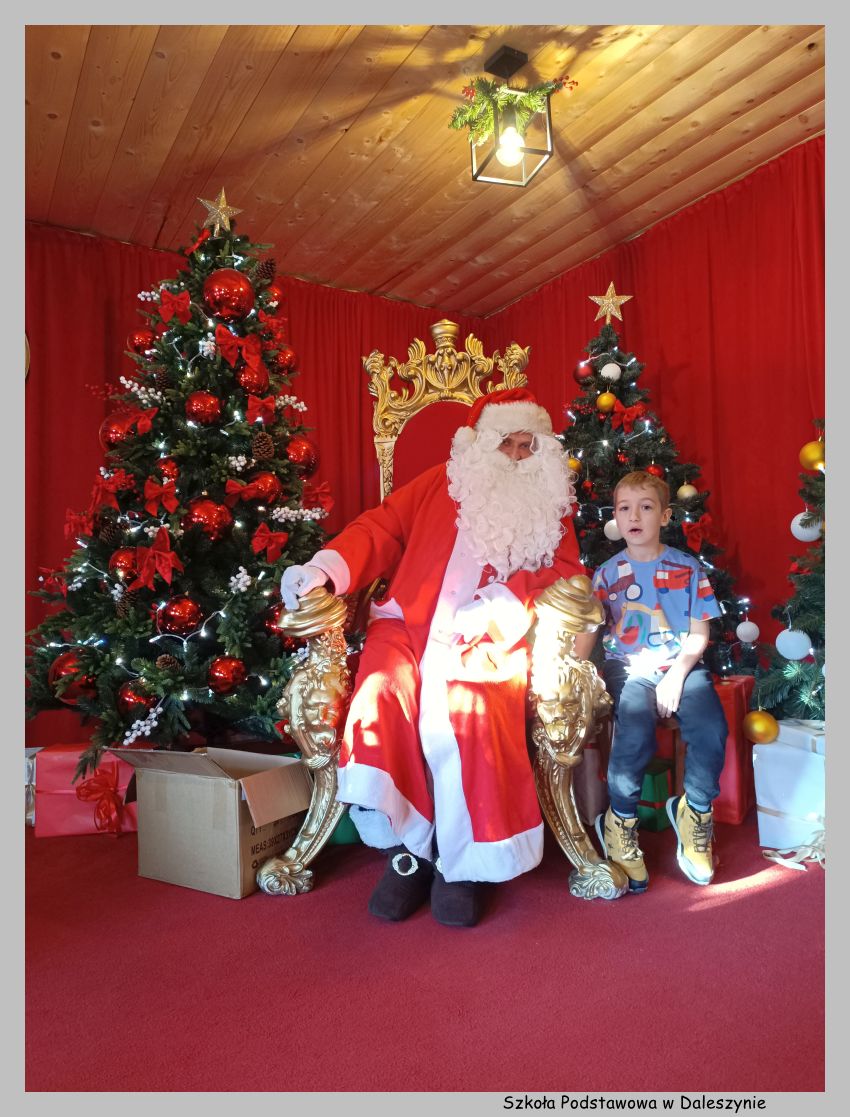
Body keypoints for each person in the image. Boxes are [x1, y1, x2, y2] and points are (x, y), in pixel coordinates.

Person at [280, 388, 584, 926]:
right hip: (406, 625)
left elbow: (566, 572)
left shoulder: (552, 504)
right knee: (380, 695)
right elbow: (380, 528)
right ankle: (409, 848)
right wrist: (323, 569)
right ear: (481, 444)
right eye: (507, 444)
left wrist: (502, 603)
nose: (517, 457)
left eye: (527, 446)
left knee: (472, 711)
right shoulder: (440, 483)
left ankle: (464, 864)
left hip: (489, 634)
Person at [573, 471, 728, 892]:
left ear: (664, 515)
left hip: (682, 666)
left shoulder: (687, 568)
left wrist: (676, 676)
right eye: (625, 508)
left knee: (711, 729)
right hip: (628, 668)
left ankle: (695, 811)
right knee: (635, 729)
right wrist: (571, 669)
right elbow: (589, 632)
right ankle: (619, 821)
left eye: (645, 507)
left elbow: (699, 633)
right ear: (615, 517)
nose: (634, 516)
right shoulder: (606, 574)